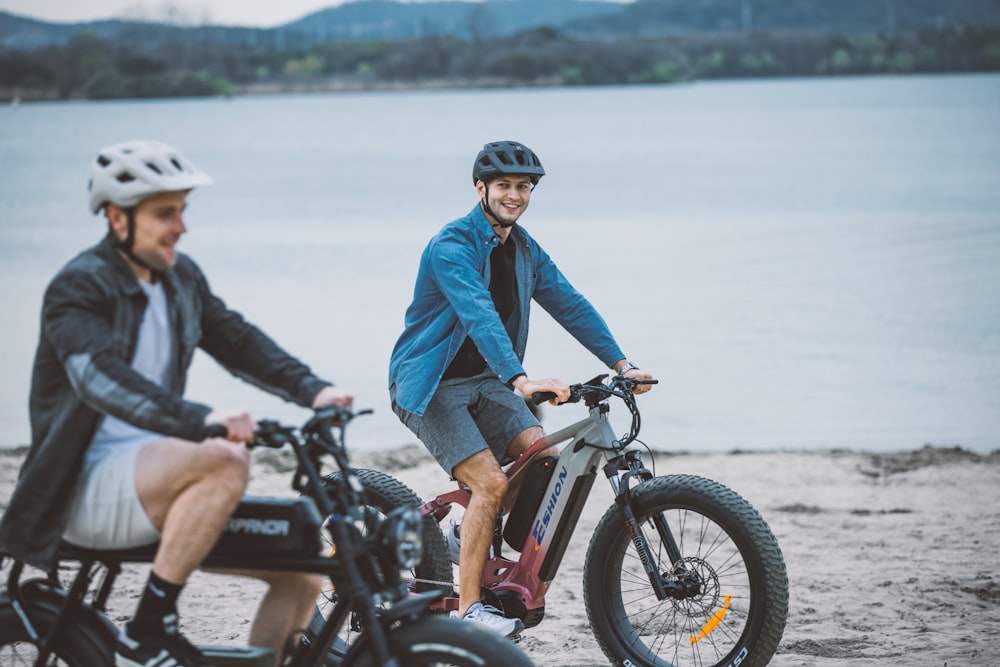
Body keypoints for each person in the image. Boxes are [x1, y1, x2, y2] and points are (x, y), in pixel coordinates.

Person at [0, 139, 352, 667]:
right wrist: (202, 421)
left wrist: (314, 390)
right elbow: (101, 379)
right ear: (118, 218)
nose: (181, 227)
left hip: (156, 480)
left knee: (302, 568)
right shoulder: (78, 288)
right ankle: (150, 626)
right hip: (81, 489)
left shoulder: (179, 278)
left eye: (183, 211)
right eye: (166, 214)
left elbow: (236, 339)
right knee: (223, 456)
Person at [388, 140, 654, 637]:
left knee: (543, 459)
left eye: (524, 187)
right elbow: (477, 312)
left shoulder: (525, 249)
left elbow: (569, 303)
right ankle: (470, 613)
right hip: (431, 386)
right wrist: (521, 379)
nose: (515, 196)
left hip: (488, 382)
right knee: (490, 483)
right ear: (480, 188)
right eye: (505, 186)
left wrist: (622, 363)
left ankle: (459, 530)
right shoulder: (452, 246)